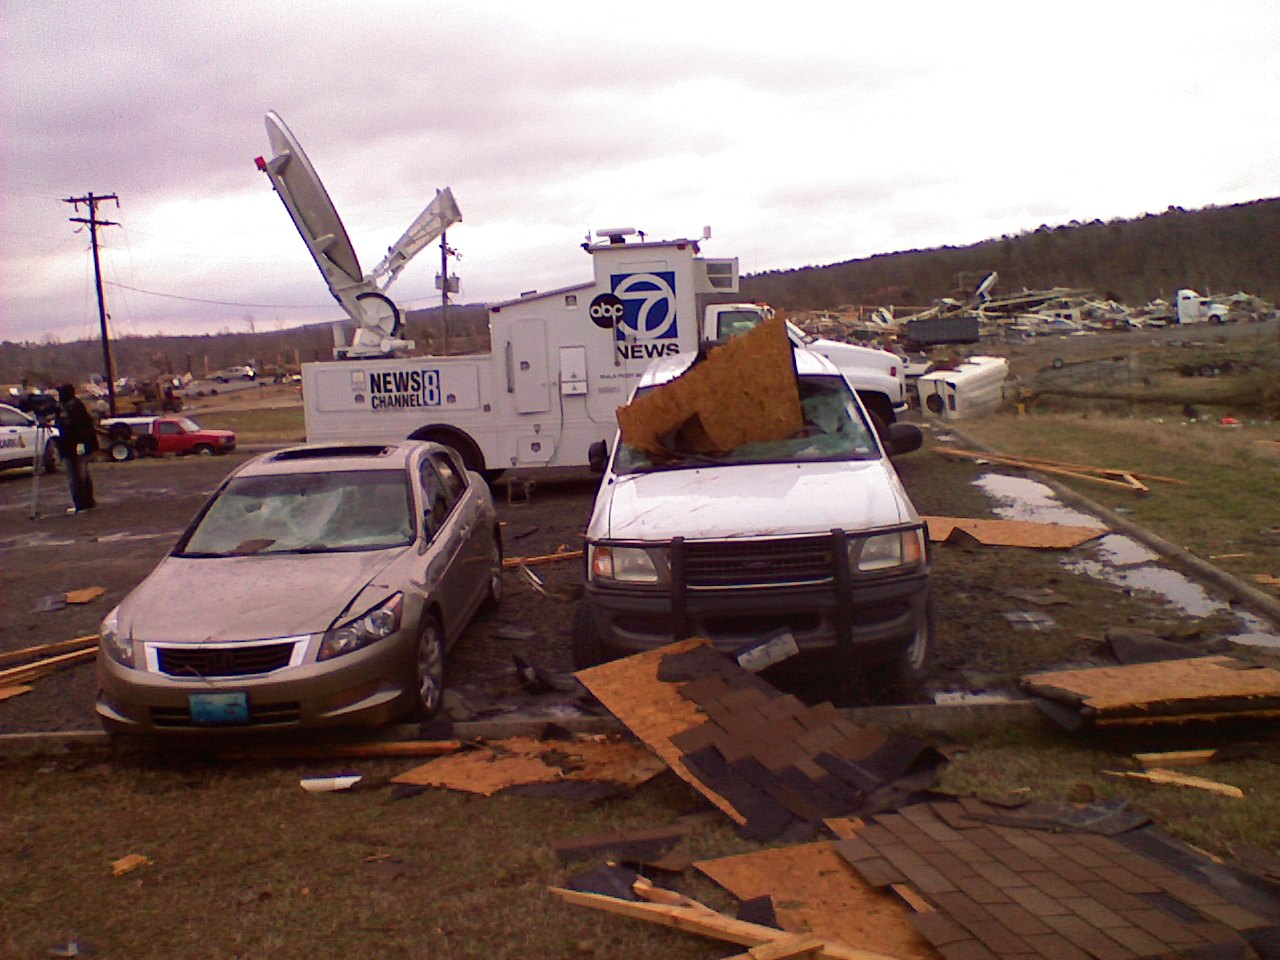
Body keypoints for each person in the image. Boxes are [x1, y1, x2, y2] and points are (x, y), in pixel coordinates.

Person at [54, 383, 97, 514]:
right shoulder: (76, 405)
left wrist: (80, 443)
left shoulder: (72, 408)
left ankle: (81, 504)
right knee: (82, 474)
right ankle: (87, 502)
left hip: (73, 446)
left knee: (76, 476)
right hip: (78, 444)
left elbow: (78, 428)